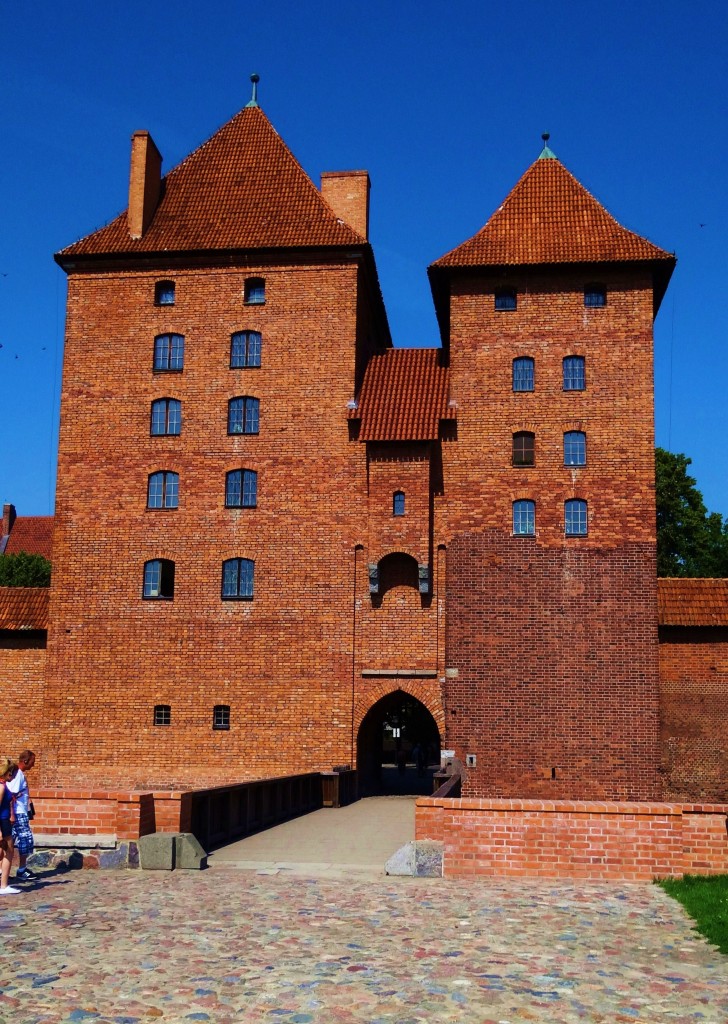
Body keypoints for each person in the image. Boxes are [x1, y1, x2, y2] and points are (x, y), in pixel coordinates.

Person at [7, 750, 35, 881]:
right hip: (18, 813)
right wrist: (12, 814)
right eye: (32, 762)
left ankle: (3, 870)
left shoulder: (17, 774)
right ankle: (22, 870)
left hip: (18, 812)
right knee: (25, 840)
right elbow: (11, 795)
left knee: (9, 841)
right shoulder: (17, 774)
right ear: (25, 761)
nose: (33, 765)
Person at [0, 759, 20, 896]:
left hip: (4, 820)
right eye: (12, 774)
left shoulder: (3, 785)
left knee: (5, 851)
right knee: (9, 851)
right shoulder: (1, 787)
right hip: (2, 822)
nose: (12, 777)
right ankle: (4, 885)